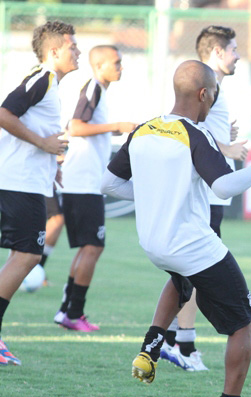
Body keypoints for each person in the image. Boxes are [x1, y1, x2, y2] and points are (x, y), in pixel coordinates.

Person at [102, 60, 251, 397]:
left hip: (155, 243)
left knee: (182, 280)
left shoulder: (143, 130)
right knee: (244, 324)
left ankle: (150, 349)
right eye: (214, 96)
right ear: (204, 95)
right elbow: (223, 187)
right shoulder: (195, 134)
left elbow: (108, 185)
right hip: (191, 244)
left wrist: (153, 198)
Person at [160, 25, 250, 371]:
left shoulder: (215, 91)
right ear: (215, 53)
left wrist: (222, 138)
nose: (237, 55)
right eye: (233, 49)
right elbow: (185, 132)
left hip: (211, 193)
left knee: (185, 272)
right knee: (197, 270)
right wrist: (226, 147)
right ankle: (183, 343)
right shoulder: (205, 88)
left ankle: (167, 340)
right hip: (207, 193)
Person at [0, 20, 79, 366]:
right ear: (54, 51)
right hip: (18, 184)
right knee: (28, 255)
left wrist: (52, 164)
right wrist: (44, 143)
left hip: (25, 181)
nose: (79, 52)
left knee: (24, 255)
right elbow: (4, 113)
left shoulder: (49, 84)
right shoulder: (42, 78)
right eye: (73, 47)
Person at [54, 45, 138, 332]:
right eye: (116, 62)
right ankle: (73, 313)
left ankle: (68, 310)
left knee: (88, 247)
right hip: (83, 182)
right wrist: (116, 125)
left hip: (82, 183)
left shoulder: (98, 91)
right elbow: (75, 126)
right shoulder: (93, 88)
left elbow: (82, 127)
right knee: (94, 247)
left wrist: (114, 129)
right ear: (99, 65)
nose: (121, 67)